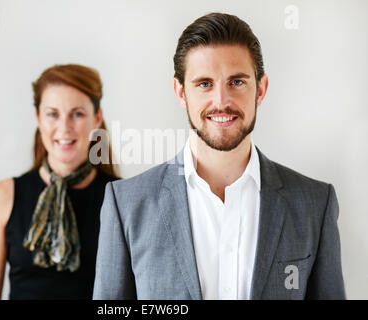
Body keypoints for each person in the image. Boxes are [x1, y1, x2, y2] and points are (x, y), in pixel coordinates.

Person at [93, 13, 345, 300]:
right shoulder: (126, 204)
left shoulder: (315, 203)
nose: (222, 101)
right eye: (204, 84)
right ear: (181, 92)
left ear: (260, 89)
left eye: (236, 82)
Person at [0, 64, 118, 299]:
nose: (64, 127)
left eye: (77, 114)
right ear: (38, 118)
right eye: (53, 114)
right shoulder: (3, 197)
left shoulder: (122, 198)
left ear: (97, 118)